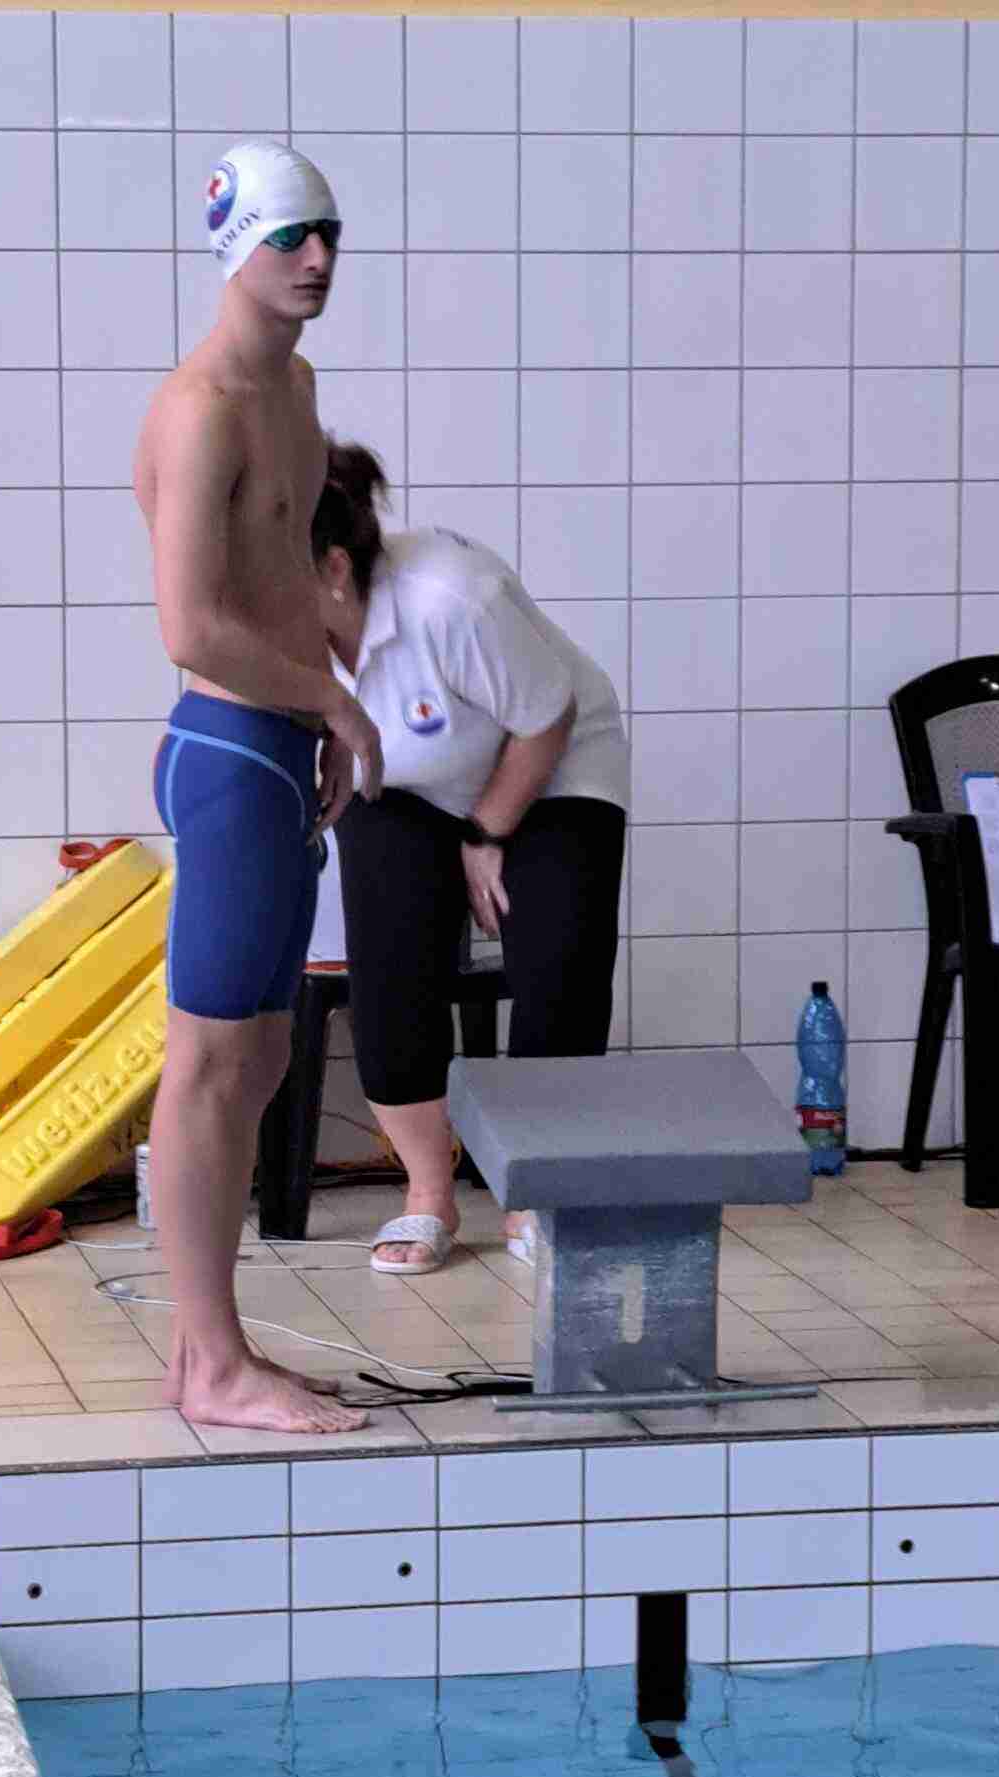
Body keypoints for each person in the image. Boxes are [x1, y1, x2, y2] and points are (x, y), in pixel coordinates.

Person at [133, 139, 382, 1435]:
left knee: (265, 1049)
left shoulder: (296, 386)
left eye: (329, 233)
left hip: (282, 748)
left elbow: (280, 576)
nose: (320, 259)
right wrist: (329, 699)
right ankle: (213, 1364)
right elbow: (190, 625)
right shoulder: (202, 409)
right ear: (236, 248)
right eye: (292, 237)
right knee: (211, 1064)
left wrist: (323, 695)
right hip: (232, 754)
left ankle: (206, 1354)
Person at [310, 444, 630, 1273]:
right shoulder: (279, 624)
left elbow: (548, 717)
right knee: (387, 965)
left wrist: (487, 834)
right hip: (411, 780)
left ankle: (536, 1191)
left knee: (558, 961)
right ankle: (428, 1192)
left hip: (553, 763)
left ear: (334, 568)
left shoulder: (452, 597)